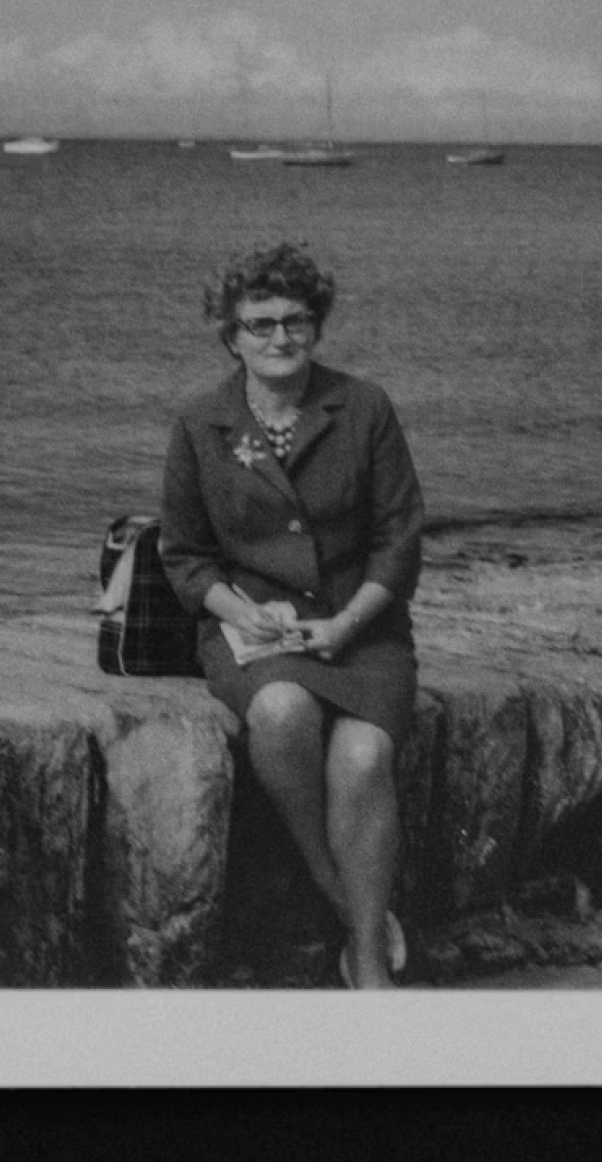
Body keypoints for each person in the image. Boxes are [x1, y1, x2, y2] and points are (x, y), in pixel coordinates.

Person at [157, 240, 425, 988]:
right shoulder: (200, 424)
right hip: (253, 630)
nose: (280, 338)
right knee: (280, 712)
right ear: (232, 334)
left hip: (362, 627)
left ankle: (366, 961)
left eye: (297, 322)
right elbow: (183, 558)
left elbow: (398, 540)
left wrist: (345, 626)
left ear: (318, 326)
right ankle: (345, 898)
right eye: (261, 323)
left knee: (364, 758)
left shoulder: (362, 406)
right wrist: (237, 615)